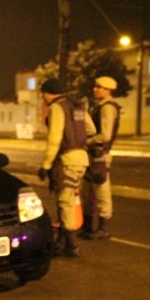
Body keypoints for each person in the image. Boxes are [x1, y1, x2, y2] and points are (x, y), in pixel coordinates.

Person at [37, 78, 96, 257]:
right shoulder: (77, 106)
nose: (43, 99)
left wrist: (46, 164)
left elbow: (54, 139)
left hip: (67, 159)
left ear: (48, 93)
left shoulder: (57, 107)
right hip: (82, 159)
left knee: (65, 201)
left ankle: (71, 246)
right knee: (68, 198)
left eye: (43, 95)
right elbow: (91, 129)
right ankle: (61, 241)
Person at [80, 76, 121, 241]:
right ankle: (88, 226)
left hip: (100, 155)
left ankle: (104, 227)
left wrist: (86, 142)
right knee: (88, 190)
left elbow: (105, 135)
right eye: (95, 86)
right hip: (93, 154)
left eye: (99, 87)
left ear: (108, 90)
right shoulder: (99, 106)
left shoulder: (107, 108)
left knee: (101, 190)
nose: (95, 89)